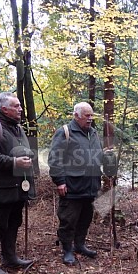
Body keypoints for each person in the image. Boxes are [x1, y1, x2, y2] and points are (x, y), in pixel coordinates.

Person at [0, 92, 35, 274]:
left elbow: (24, 150)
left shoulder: (17, 129)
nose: (20, 109)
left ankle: (10, 258)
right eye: (16, 106)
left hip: (18, 187)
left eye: (20, 106)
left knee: (14, 222)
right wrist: (14, 162)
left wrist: (29, 155)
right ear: (4, 109)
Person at [48, 102, 103, 265]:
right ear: (76, 116)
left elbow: (97, 157)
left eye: (91, 115)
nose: (90, 119)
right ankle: (67, 250)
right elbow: (55, 159)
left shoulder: (93, 133)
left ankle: (80, 245)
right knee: (68, 220)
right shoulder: (65, 132)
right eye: (87, 115)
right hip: (72, 186)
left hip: (91, 186)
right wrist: (59, 181)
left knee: (85, 218)